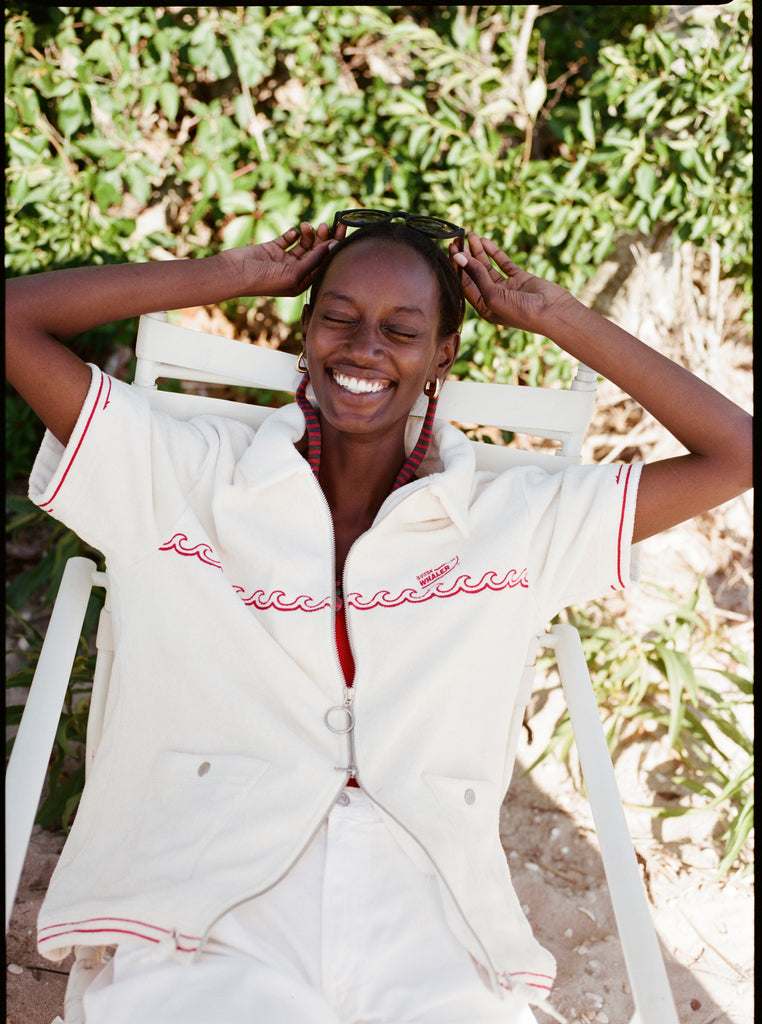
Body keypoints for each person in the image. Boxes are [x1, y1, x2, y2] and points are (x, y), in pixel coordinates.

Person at [5, 210, 752, 1024]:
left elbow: (737, 454)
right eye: (338, 318)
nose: (364, 349)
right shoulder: (182, 477)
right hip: (207, 908)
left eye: (402, 330)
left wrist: (552, 315)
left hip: (427, 916)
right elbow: (15, 318)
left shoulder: (514, 521)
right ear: (305, 332)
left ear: (443, 357)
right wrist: (237, 272)